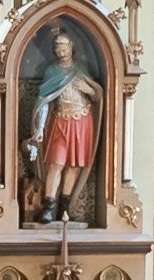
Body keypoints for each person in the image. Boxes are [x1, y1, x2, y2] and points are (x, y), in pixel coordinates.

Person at [18, 27, 104, 219]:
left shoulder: (81, 69)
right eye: (57, 49)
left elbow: (98, 95)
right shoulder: (52, 71)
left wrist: (89, 90)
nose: (61, 52)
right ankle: (49, 207)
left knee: (73, 166)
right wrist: (40, 128)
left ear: (71, 46)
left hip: (81, 121)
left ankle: (64, 208)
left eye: (64, 48)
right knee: (56, 164)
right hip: (61, 121)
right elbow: (44, 101)